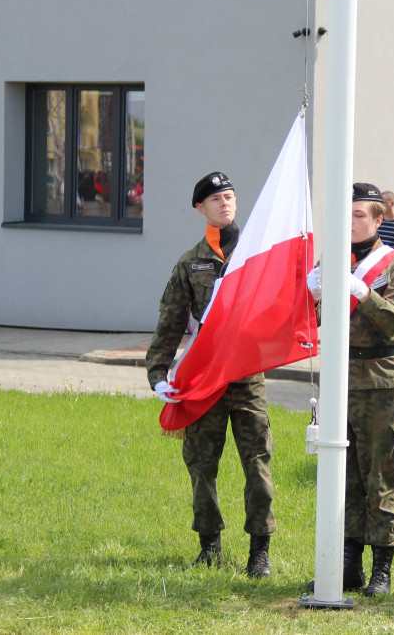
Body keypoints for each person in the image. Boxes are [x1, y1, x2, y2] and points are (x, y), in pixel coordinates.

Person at [145, 171, 276, 578]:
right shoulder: (191, 262)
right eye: (216, 198)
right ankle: (210, 546)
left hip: (247, 375)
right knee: (201, 463)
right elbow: (170, 320)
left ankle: (259, 550)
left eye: (231, 196)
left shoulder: (258, 253)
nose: (225, 202)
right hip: (206, 378)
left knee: (257, 463)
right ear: (200, 208)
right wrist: (158, 372)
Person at [306, 182, 394, 596]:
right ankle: (347, 566)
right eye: (346, 215)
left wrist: (364, 293)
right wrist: (312, 294)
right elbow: (311, 322)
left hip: (379, 381)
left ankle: (382, 568)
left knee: (379, 474)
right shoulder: (331, 260)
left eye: (360, 215)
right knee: (343, 476)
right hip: (339, 378)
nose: (352, 223)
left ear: (378, 219)